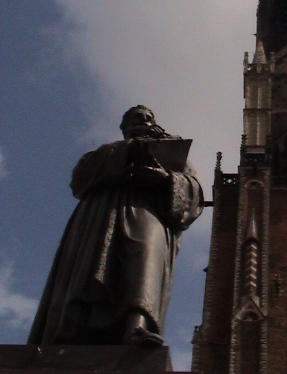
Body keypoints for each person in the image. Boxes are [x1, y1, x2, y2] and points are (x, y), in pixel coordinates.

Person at [28, 105, 204, 345]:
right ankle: (73, 330)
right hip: (102, 214)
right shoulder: (108, 151)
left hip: (148, 212)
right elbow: (79, 179)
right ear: (125, 128)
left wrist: (166, 180)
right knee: (90, 266)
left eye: (148, 117)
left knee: (144, 261)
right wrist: (128, 152)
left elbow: (194, 193)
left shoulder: (173, 154)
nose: (143, 120)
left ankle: (137, 327)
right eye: (136, 117)